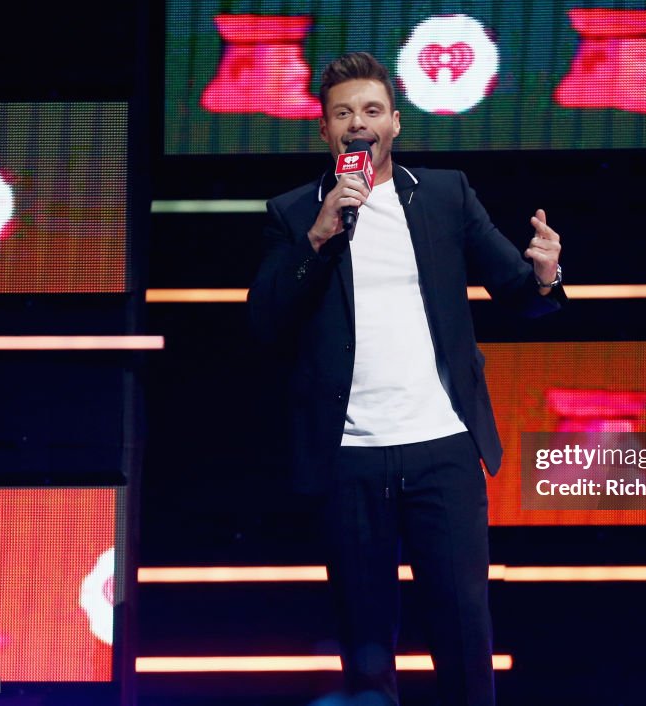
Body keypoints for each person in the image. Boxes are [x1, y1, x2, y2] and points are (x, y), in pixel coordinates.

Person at [249, 51, 564, 706]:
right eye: (343, 113)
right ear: (325, 130)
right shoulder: (293, 212)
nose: (357, 124)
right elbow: (266, 322)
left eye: (370, 111)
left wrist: (543, 275)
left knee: (462, 632)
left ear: (394, 123)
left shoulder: (445, 195)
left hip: (442, 450)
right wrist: (318, 234)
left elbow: (516, 289)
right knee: (365, 643)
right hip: (348, 461)